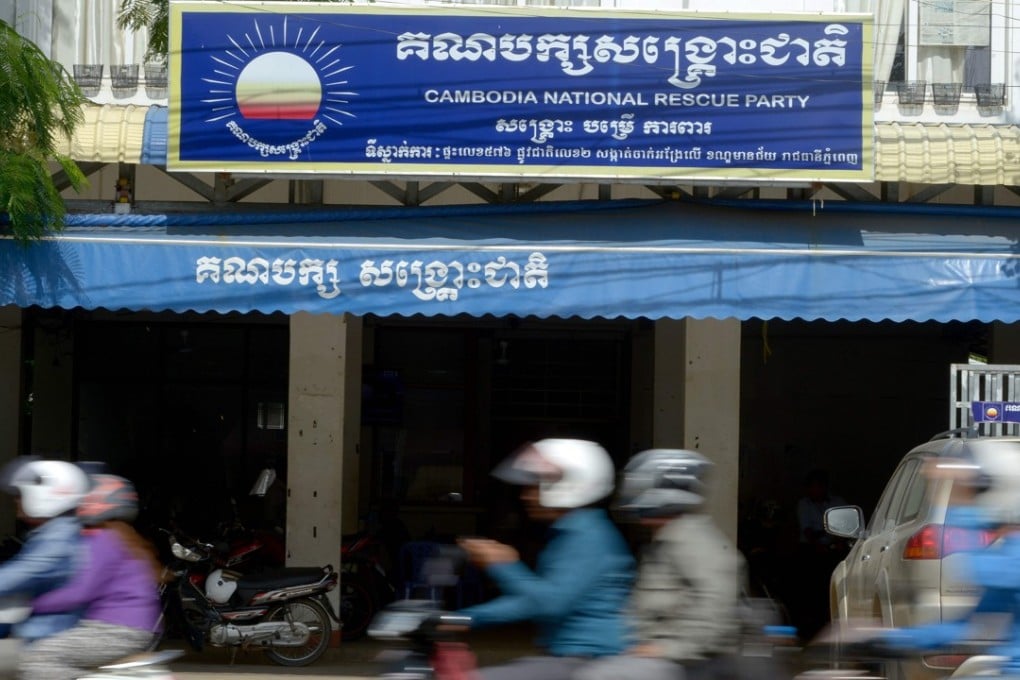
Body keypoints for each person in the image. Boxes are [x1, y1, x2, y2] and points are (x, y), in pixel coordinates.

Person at [454, 439, 636, 680]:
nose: (526, 496)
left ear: (571, 484)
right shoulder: (569, 533)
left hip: (589, 661)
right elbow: (533, 600)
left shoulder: (588, 537)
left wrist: (503, 566)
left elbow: (549, 603)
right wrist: (463, 619)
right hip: (567, 658)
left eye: (536, 485)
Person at [576, 449, 745, 680]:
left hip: (687, 662)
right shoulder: (663, 542)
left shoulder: (695, 542)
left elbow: (714, 609)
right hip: (657, 656)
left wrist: (665, 649)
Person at [862, 439, 1020, 673]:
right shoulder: (1008, 550)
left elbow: (980, 569)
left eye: (976, 488)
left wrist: (957, 499)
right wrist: (885, 639)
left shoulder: (1011, 557)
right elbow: (964, 626)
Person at [19, 474, 162, 680]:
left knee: (40, 657)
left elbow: (80, 591)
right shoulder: (125, 537)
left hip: (114, 629)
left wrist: (34, 603)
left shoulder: (103, 539)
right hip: (132, 627)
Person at [0, 458, 90, 641]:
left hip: (43, 641)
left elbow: (10, 579)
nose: (16, 501)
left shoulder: (58, 540)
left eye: (21, 495)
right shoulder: (52, 534)